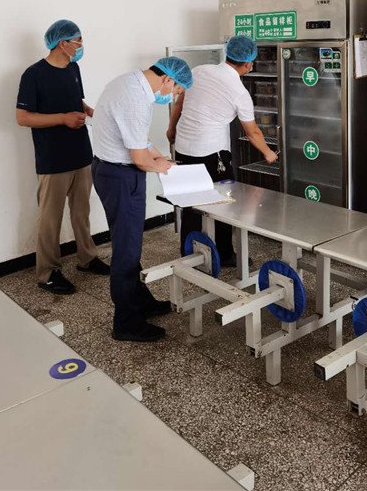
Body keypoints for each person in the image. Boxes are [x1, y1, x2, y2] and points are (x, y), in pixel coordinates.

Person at [91, 56, 193, 343]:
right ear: (168, 79)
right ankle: (126, 322)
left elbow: (138, 139)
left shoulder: (129, 83)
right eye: (176, 91)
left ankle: (141, 302)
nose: (173, 97)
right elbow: (139, 159)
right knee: (126, 250)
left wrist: (160, 156)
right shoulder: (136, 98)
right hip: (121, 177)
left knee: (130, 244)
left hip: (110, 171)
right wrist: (161, 166)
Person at [16, 19, 110, 295]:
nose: (81, 46)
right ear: (62, 43)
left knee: (82, 211)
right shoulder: (33, 75)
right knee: (50, 217)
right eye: (78, 41)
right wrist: (62, 119)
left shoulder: (73, 68)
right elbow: (23, 117)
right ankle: (47, 273)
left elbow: (75, 100)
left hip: (80, 152)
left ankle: (87, 258)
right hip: (53, 158)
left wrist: (89, 110)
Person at [167, 35, 278, 265]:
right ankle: (225, 254)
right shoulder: (239, 92)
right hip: (211, 154)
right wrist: (268, 152)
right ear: (248, 64)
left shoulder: (198, 71)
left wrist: (171, 129)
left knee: (190, 202)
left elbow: (179, 103)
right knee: (223, 203)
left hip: (184, 148)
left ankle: (189, 252)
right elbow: (252, 132)